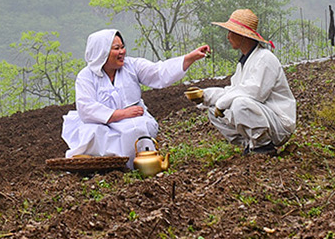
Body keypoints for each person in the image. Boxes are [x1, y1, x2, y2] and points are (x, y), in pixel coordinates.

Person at [61, 29, 211, 158]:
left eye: (122, 47)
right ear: (102, 52)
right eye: (116, 48)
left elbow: (159, 72)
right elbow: (86, 108)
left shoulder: (132, 65)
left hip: (132, 119)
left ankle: (133, 164)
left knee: (137, 128)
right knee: (91, 133)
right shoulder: (86, 76)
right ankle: (100, 164)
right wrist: (120, 114)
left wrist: (190, 57)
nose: (122, 52)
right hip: (101, 121)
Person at [190, 8, 296, 156]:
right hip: (264, 117)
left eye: (231, 32)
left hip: (279, 123)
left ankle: (263, 145)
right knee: (213, 111)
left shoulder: (265, 59)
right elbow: (234, 90)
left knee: (240, 104)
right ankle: (250, 143)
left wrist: (222, 103)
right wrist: (206, 96)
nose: (228, 37)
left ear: (243, 35)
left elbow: (255, 92)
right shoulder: (244, 63)